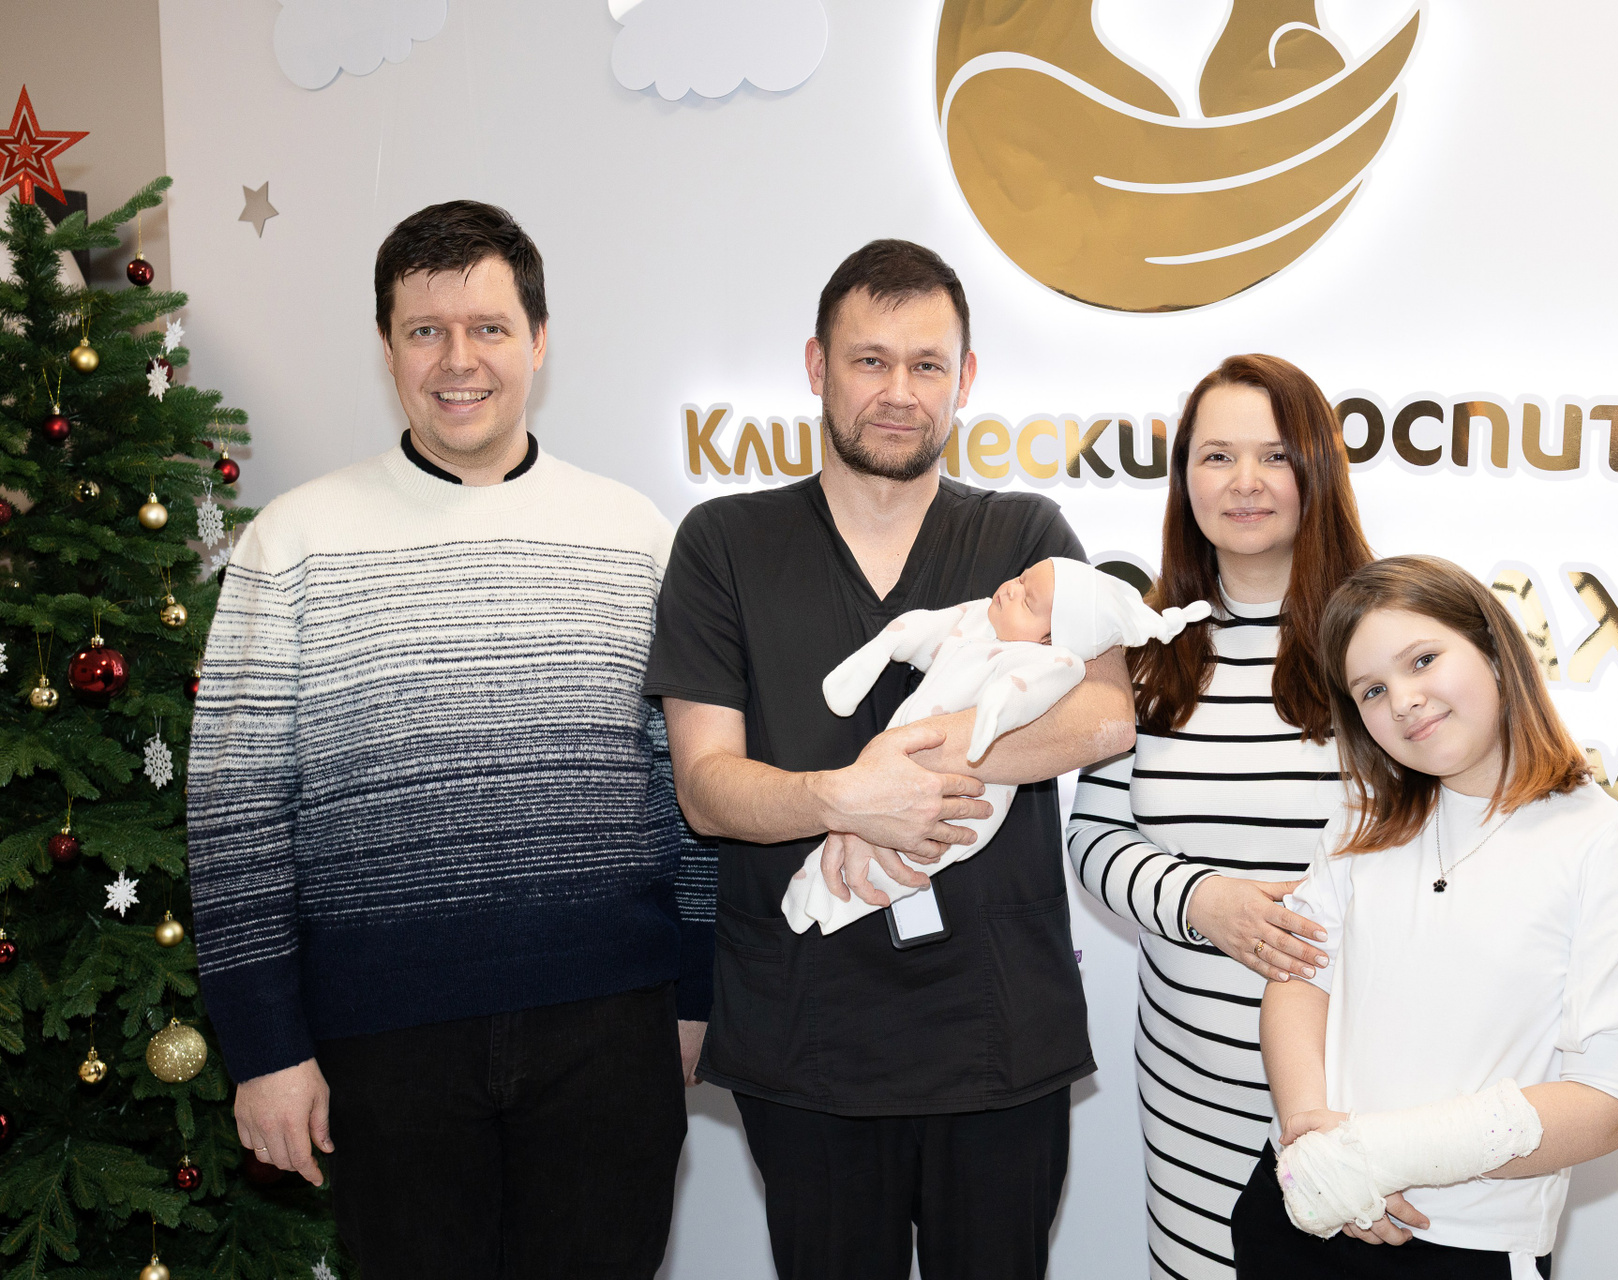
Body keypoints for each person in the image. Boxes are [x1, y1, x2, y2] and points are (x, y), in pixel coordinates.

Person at [1066, 355, 1618, 1280]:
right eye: (1216, 456)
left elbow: (1525, 816)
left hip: (1396, 1100)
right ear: (1182, 480)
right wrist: (1204, 902)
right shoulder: (1140, 647)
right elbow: (1093, 838)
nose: (1246, 481)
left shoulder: (1378, 634)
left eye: (1275, 455)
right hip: (1199, 1070)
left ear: (1318, 470)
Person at [187, 200, 714, 1278]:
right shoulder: (292, 542)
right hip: (385, 1047)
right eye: (425, 330)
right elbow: (235, 815)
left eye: (488, 328)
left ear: (539, 340)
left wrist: (698, 994)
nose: (458, 360)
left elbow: (691, 790)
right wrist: (267, 1048)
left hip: (610, 1031)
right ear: (387, 348)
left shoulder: (635, 537)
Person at [645, 239, 1134, 1280]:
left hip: (996, 1027)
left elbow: (1105, 716)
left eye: (926, 364)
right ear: (816, 367)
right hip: (809, 1030)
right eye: (869, 360)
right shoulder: (725, 544)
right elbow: (705, 788)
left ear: (966, 378)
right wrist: (847, 798)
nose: (899, 391)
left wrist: (941, 755)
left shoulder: (1025, 535)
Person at [1235, 555, 1618, 1277]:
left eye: (1423, 660)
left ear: (1496, 653)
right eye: (1372, 690)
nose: (1404, 701)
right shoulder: (1360, 820)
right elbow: (1298, 981)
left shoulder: (1610, 845)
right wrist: (1313, 1140)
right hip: (1300, 1206)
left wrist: (1370, 1160)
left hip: (1463, 1243)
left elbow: (1604, 1107)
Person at [783, 556, 1210, 935]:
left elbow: (1022, 695)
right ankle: (816, 894)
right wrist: (870, 662)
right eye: (1021, 579)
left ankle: (823, 901)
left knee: (897, 858)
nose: (1011, 589)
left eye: (1027, 601)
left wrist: (986, 722)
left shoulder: (1049, 661)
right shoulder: (980, 622)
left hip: (968, 795)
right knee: (853, 852)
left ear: (1049, 639)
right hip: (902, 758)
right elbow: (917, 628)